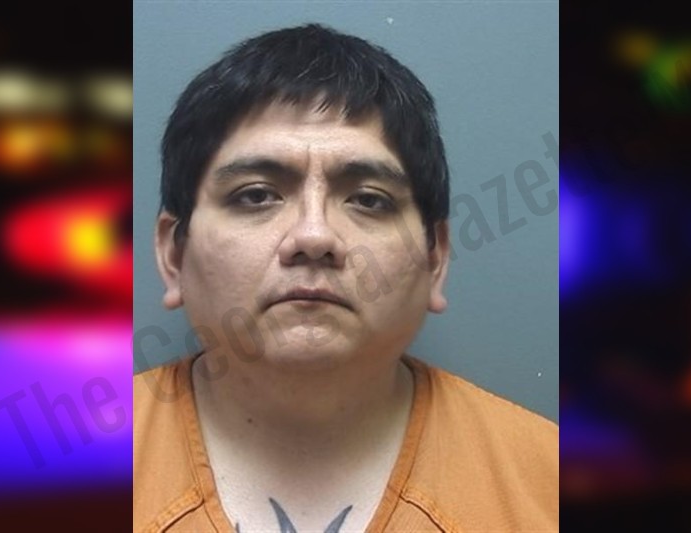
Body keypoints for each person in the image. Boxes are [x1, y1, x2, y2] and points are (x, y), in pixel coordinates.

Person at [134, 24, 557, 532]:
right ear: (173, 254)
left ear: (435, 259)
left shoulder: (550, 486)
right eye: (256, 195)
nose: (314, 236)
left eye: (369, 200)